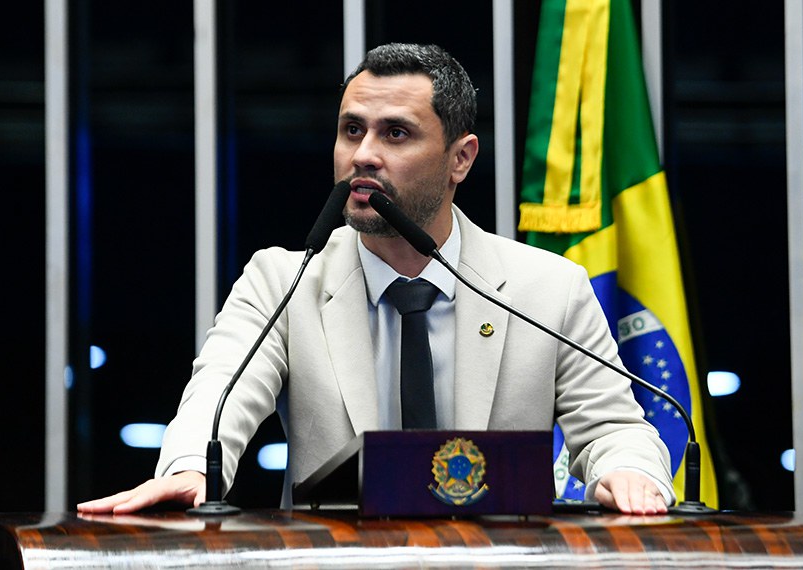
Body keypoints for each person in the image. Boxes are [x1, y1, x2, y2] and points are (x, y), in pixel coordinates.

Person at [78, 43, 674, 516]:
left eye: (396, 133)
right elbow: (216, 404)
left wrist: (631, 472)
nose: (362, 154)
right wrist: (190, 468)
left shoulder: (549, 288)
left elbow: (615, 429)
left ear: (460, 158)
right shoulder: (283, 281)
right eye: (351, 129)